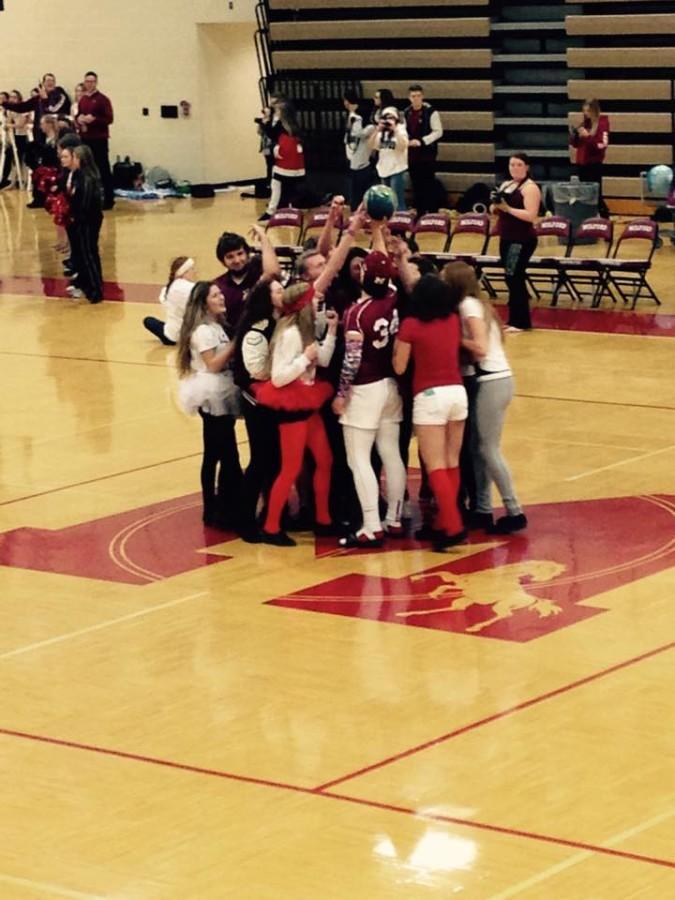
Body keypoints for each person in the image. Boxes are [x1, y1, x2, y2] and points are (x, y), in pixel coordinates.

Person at [332, 246, 407, 548]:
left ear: (364, 274)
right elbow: (386, 277)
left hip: (365, 387)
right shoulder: (393, 297)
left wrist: (341, 394)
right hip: (391, 384)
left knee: (358, 458)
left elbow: (351, 359)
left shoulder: (355, 313)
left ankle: (371, 525)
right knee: (391, 452)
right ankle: (395, 518)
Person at [445, 261, 527, 535]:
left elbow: (479, 347)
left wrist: (451, 338)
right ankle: (482, 509)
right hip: (496, 379)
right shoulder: (480, 304)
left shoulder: (468, 306)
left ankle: (514, 510)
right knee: (479, 449)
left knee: (488, 449)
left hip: (491, 379)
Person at [254, 282, 339, 546]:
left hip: (308, 404)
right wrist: (304, 358)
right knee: (290, 468)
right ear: (303, 305)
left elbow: (322, 360)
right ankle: (271, 527)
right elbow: (278, 378)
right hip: (292, 406)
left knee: (325, 460)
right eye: (314, 301)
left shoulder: (307, 329)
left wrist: (333, 332)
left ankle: (323, 519)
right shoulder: (290, 334)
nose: (319, 304)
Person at [393, 275, 467, 551]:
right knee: (451, 461)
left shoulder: (411, 325)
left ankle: (453, 524)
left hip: (429, 395)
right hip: (458, 393)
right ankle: (445, 523)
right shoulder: (452, 320)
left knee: (434, 464)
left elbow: (400, 367)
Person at [176, 281, 242, 529]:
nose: (221, 297)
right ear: (204, 302)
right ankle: (212, 507)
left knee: (222, 451)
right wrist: (235, 345)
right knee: (217, 452)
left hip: (221, 389)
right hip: (211, 392)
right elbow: (213, 364)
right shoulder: (203, 331)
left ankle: (223, 504)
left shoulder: (216, 326)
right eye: (215, 295)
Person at [232, 279, 286, 541]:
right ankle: (245, 519)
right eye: (277, 291)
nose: (283, 293)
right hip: (257, 403)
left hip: (272, 401)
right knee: (261, 460)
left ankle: (271, 514)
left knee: (274, 460)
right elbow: (258, 371)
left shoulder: (278, 322)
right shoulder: (257, 330)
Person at [491, 152, 541, 332]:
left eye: (519, 165)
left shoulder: (530, 188)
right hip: (507, 236)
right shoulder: (506, 185)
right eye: (512, 165)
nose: (515, 168)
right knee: (510, 277)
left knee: (515, 277)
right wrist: (496, 206)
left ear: (527, 167)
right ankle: (513, 318)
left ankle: (521, 321)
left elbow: (531, 215)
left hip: (521, 239)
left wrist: (508, 209)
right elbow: (497, 209)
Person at [212, 225, 280, 330]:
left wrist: (263, 237)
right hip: (233, 338)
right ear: (222, 261)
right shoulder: (218, 285)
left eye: (240, 253)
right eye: (230, 257)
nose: (237, 260)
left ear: (248, 254)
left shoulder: (258, 272)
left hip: (263, 335)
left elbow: (273, 273)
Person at [59, 143, 104, 303]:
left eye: (75, 157)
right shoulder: (79, 175)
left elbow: (84, 204)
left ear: (81, 159)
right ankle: (86, 284)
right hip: (81, 220)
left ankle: (96, 290)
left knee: (89, 254)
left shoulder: (87, 178)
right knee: (84, 254)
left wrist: (74, 216)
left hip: (87, 221)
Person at [260, 100, 305, 221]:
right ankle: (290, 210)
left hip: (285, 162)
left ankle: (271, 212)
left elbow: (270, 133)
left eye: (278, 110)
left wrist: (266, 120)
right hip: (296, 163)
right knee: (288, 187)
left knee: (276, 184)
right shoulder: (294, 125)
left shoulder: (281, 126)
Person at [77, 72, 115, 210]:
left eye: (92, 81)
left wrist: (94, 120)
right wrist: (79, 120)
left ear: (96, 82)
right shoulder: (83, 100)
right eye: (87, 81)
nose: (90, 84)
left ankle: (109, 199)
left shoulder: (103, 99)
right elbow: (78, 115)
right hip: (85, 138)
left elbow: (109, 119)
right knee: (85, 169)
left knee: (103, 168)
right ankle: (89, 198)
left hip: (99, 139)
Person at [404, 84, 443, 215]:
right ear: (409, 97)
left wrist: (422, 141)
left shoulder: (431, 112)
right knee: (416, 185)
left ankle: (432, 212)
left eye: (418, 96)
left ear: (423, 96)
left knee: (429, 183)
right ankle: (420, 212)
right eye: (413, 96)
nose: (416, 99)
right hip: (412, 155)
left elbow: (438, 132)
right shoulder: (406, 112)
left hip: (427, 154)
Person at [569, 98, 610, 218]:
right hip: (582, 163)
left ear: (595, 110)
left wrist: (587, 137)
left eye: (588, 110)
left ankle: (604, 215)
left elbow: (602, 145)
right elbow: (576, 145)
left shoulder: (602, 123)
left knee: (596, 193)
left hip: (594, 163)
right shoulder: (585, 124)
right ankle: (588, 216)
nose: (586, 113)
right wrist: (574, 136)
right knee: (584, 193)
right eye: (584, 110)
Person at [143, 257, 197, 345]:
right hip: (192, 334)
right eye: (192, 269)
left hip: (173, 334)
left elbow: (164, 301)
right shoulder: (192, 288)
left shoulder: (168, 289)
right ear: (184, 272)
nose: (195, 272)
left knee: (149, 321)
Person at [368, 107, 408, 211]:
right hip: (383, 169)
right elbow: (371, 145)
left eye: (391, 118)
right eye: (386, 118)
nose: (388, 121)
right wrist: (377, 130)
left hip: (397, 168)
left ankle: (400, 221)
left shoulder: (400, 129)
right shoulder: (381, 132)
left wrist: (395, 130)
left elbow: (403, 146)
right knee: (387, 201)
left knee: (397, 200)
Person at [343, 90, 374, 211]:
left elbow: (360, 133)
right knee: (354, 194)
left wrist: (369, 128)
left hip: (362, 160)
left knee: (361, 193)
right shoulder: (352, 116)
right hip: (352, 159)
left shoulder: (360, 116)